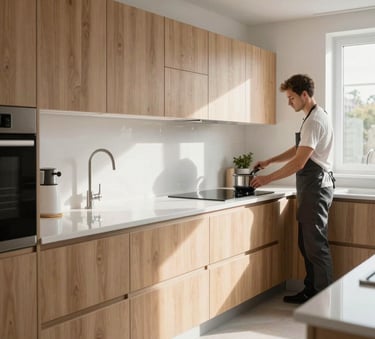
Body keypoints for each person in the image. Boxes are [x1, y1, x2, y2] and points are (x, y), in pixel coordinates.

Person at [250, 74, 335, 304]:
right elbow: (299, 150)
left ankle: (323, 301)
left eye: (291, 98)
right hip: (311, 187)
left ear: (304, 95)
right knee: (306, 242)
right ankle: (311, 292)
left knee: (315, 246)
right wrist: (270, 161)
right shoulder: (311, 117)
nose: (289, 102)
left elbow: (299, 163)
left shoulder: (315, 120)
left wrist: (267, 180)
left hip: (316, 187)